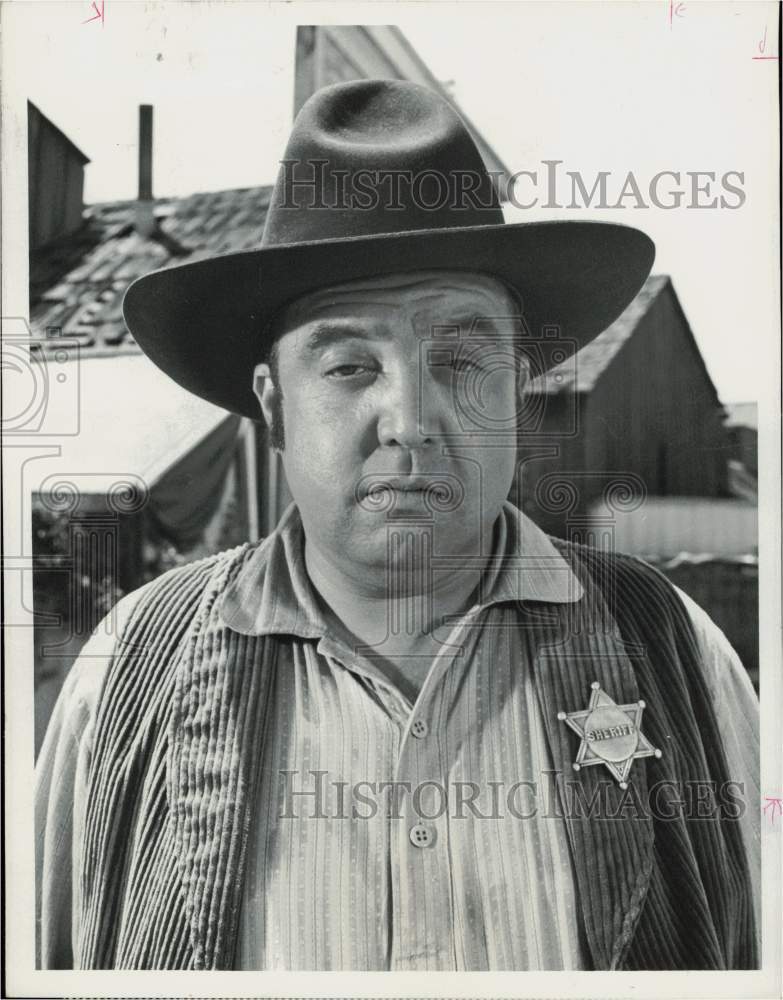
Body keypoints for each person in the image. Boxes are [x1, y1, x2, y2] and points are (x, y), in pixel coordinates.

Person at [36, 79, 759, 971]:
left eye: (459, 359)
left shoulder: (676, 654)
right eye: (347, 366)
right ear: (273, 409)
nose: (409, 417)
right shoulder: (127, 674)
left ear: (517, 391)